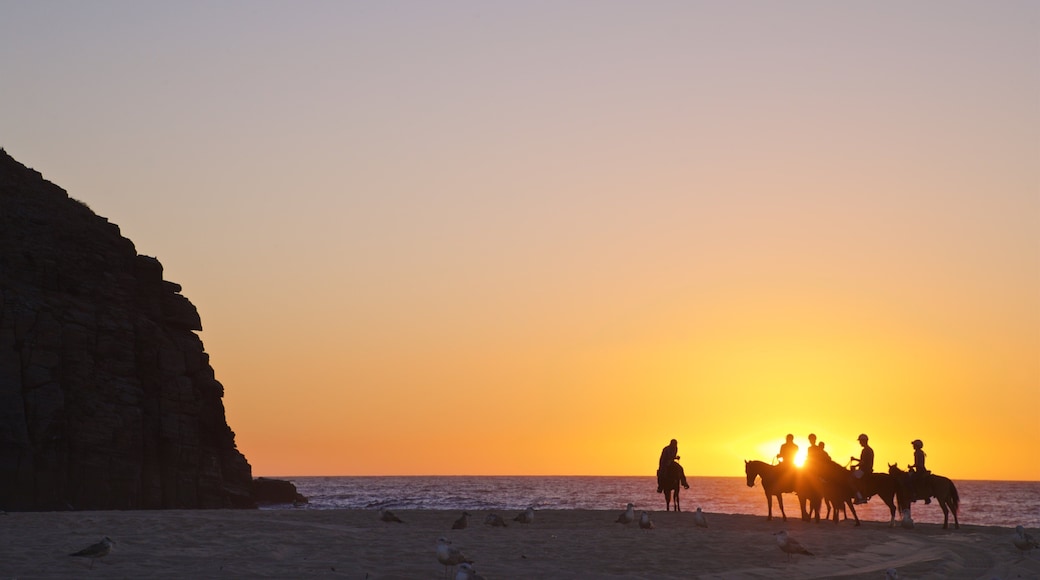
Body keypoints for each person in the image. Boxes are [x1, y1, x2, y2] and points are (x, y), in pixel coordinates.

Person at [849, 433, 874, 504]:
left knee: (850, 479)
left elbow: (863, 462)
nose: (860, 443)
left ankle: (860, 497)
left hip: (864, 470)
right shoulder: (869, 449)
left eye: (860, 441)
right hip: (867, 469)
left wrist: (855, 466)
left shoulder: (865, 450)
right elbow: (863, 460)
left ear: (864, 441)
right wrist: (855, 459)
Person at [909, 439, 931, 504]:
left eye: (914, 445)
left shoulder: (917, 453)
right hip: (922, 469)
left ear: (917, 446)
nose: (913, 446)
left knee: (911, 480)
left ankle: (914, 495)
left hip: (920, 470)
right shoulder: (921, 452)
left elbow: (917, 463)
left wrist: (911, 466)